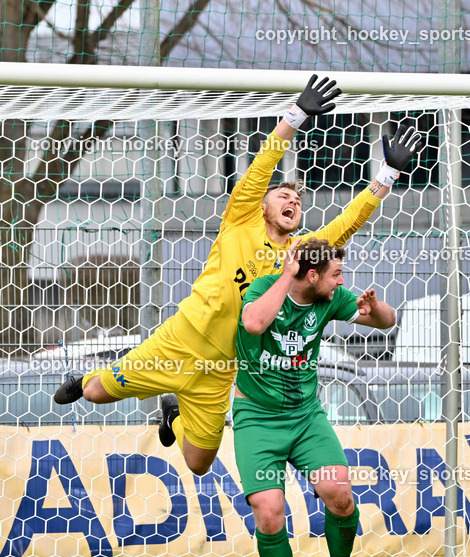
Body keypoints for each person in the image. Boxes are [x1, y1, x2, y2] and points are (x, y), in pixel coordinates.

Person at [53, 75, 422, 476]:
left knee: (198, 463)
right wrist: (295, 116)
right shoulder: (239, 221)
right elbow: (263, 165)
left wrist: (387, 175)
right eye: (283, 195)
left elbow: (346, 223)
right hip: (181, 341)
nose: (292, 201)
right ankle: (89, 375)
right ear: (261, 206)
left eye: (297, 200)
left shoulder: (298, 255)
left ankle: (172, 411)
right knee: (93, 392)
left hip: (221, 367)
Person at [233, 238, 396, 557]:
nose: (342, 281)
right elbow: (254, 323)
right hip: (257, 417)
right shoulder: (263, 290)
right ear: (311, 274)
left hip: (306, 417)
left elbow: (387, 321)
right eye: (336, 274)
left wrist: (376, 309)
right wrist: (285, 276)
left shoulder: (331, 298)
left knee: (340, 494)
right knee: (269, 511)